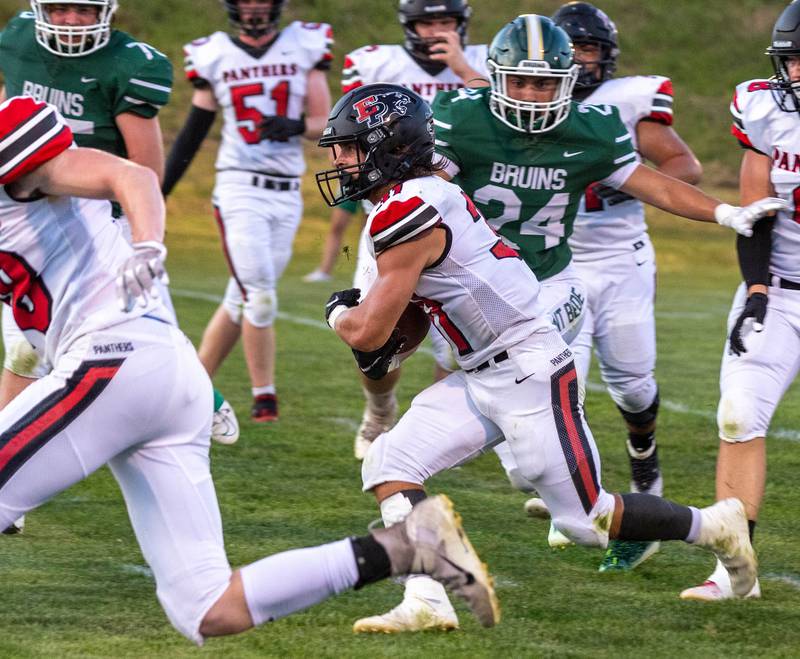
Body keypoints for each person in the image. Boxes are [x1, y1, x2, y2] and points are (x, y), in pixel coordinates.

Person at [330, 17, 784, 633]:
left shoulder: (413, 206)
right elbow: (402, 319)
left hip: (527, 365)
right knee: (388, 463)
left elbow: (366, 333)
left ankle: (716, 526)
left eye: (350, 148)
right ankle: (428, 601)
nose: (340, 161)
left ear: (388, 149)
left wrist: (342, 311)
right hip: (486, 366)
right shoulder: (413, 193)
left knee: (588, 522)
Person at [0, 94, 498, 642]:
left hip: (115, 357)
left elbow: (131, 177)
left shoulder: (12, 137)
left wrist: (147, 246)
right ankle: (409, 546)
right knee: (207, 609)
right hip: (164, 375)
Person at [0, 1, 240, 535]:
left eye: (83, 10)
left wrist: (144, 238)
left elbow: (141, 171)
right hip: (27, 207)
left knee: (111, 336)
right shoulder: (17, 41)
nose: (69, 22)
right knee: (30, 340)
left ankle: (197, 398)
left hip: (96, 214)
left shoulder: (130, 64)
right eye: (59, 9)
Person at [519, 2, 705, 573]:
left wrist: (633, 186)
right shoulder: (525, 100)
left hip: (622, 257)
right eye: (568, 49)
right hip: (558, 262)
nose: (578, 59)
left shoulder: (629, 99)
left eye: (589, 49)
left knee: (632, 382)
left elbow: (684, 166)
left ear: (607, 56)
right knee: (562, 383)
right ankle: (582, 498)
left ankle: (644, 465)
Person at [313, 0, 489, 459]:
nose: (435, 30)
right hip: (393, 205)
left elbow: (498, 115)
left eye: (445, 21)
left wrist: (462, 65)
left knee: (457, 344)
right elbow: (351, 129)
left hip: (450, 208)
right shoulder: (376, 62)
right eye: (426, 21)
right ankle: (380, 408)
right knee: (379, 346)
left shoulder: (482, 61)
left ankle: (436, 430)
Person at [679, 0, 800, 602]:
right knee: (737, 413)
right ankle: (735, 571)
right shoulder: (765, 107)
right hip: (780, 290)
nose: (797, 75)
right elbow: (757, 210)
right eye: (793, 61)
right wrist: (755, 290)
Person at [162, 0, 332, 422]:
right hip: (238, 185)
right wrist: (158, 190)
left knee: (240, 296)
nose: (254, 7)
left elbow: (324, 122)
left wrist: (295, 126)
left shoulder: (304, 45)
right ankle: (265, 398)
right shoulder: (213, 52)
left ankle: (191, 388)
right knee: (259, 296)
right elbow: (193, 132)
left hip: (287, 191)